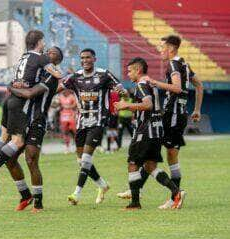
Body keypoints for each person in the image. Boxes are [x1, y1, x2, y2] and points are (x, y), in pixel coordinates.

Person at [117, 35, 204, 208]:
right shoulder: (184, 64)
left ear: (171, 48)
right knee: (162, 155)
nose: (160, 50)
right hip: (180, 114)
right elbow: (199, 85)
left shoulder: (173, 64)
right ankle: (139, 189)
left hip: (172, 114)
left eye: (162, 46)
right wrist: (196, 109)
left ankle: (174, 194)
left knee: (156, 152)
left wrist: (155, 82)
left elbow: (177, 88)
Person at [0, 30, 62, 189]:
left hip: (9, 100)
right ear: (39, 42)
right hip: (20, 102)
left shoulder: (22, 57)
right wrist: (56, 72)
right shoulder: (42, 59)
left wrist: (15, 86)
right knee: (17, 141)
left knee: (4, 136)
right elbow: (57, 74)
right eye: (44, 43)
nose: (46, 48)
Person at [115, 57, 184, 210]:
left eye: (130, 71)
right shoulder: (150, 84)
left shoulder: (141, 84)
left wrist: (126, 104)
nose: (128, 74)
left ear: (138, 70)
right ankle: (176, 192)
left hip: (145, 130)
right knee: (150, 166)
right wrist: (127, 103)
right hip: (156, 129)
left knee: (133, 164)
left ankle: (135, 203)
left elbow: (147, 105)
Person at [58, 48, 123, 205]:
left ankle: (76, 194)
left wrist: (121, 90)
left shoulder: (104, 74)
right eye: (82, 58)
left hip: (98, 121)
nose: (85, 60)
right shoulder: (75, 77)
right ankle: (102, 185)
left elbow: (119, 86)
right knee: (81, 161)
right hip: (81, 122)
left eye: (88, 57)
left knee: (86, 158)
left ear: (94, 59)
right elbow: (59, 86)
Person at [5, 46, 63, 212]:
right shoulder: (36, 72)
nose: (47, 53)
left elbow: (29, 93)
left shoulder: (51, 77)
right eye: (47, 51)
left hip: (37, 120)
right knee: (10, 158)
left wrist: (10, 87)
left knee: (30, 159)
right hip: (22, 119)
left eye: (52, 53)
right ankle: (25, 195)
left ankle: (38, 202)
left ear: (57, 60)